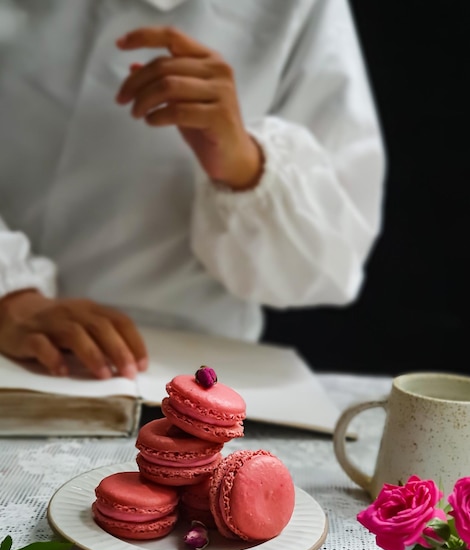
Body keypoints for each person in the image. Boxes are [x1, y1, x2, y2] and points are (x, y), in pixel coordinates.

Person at [0, 0, 385, 381]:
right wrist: (10, 295)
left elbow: (330, 262)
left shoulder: (301, 8)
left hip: (183, 369)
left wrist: (245, 165)